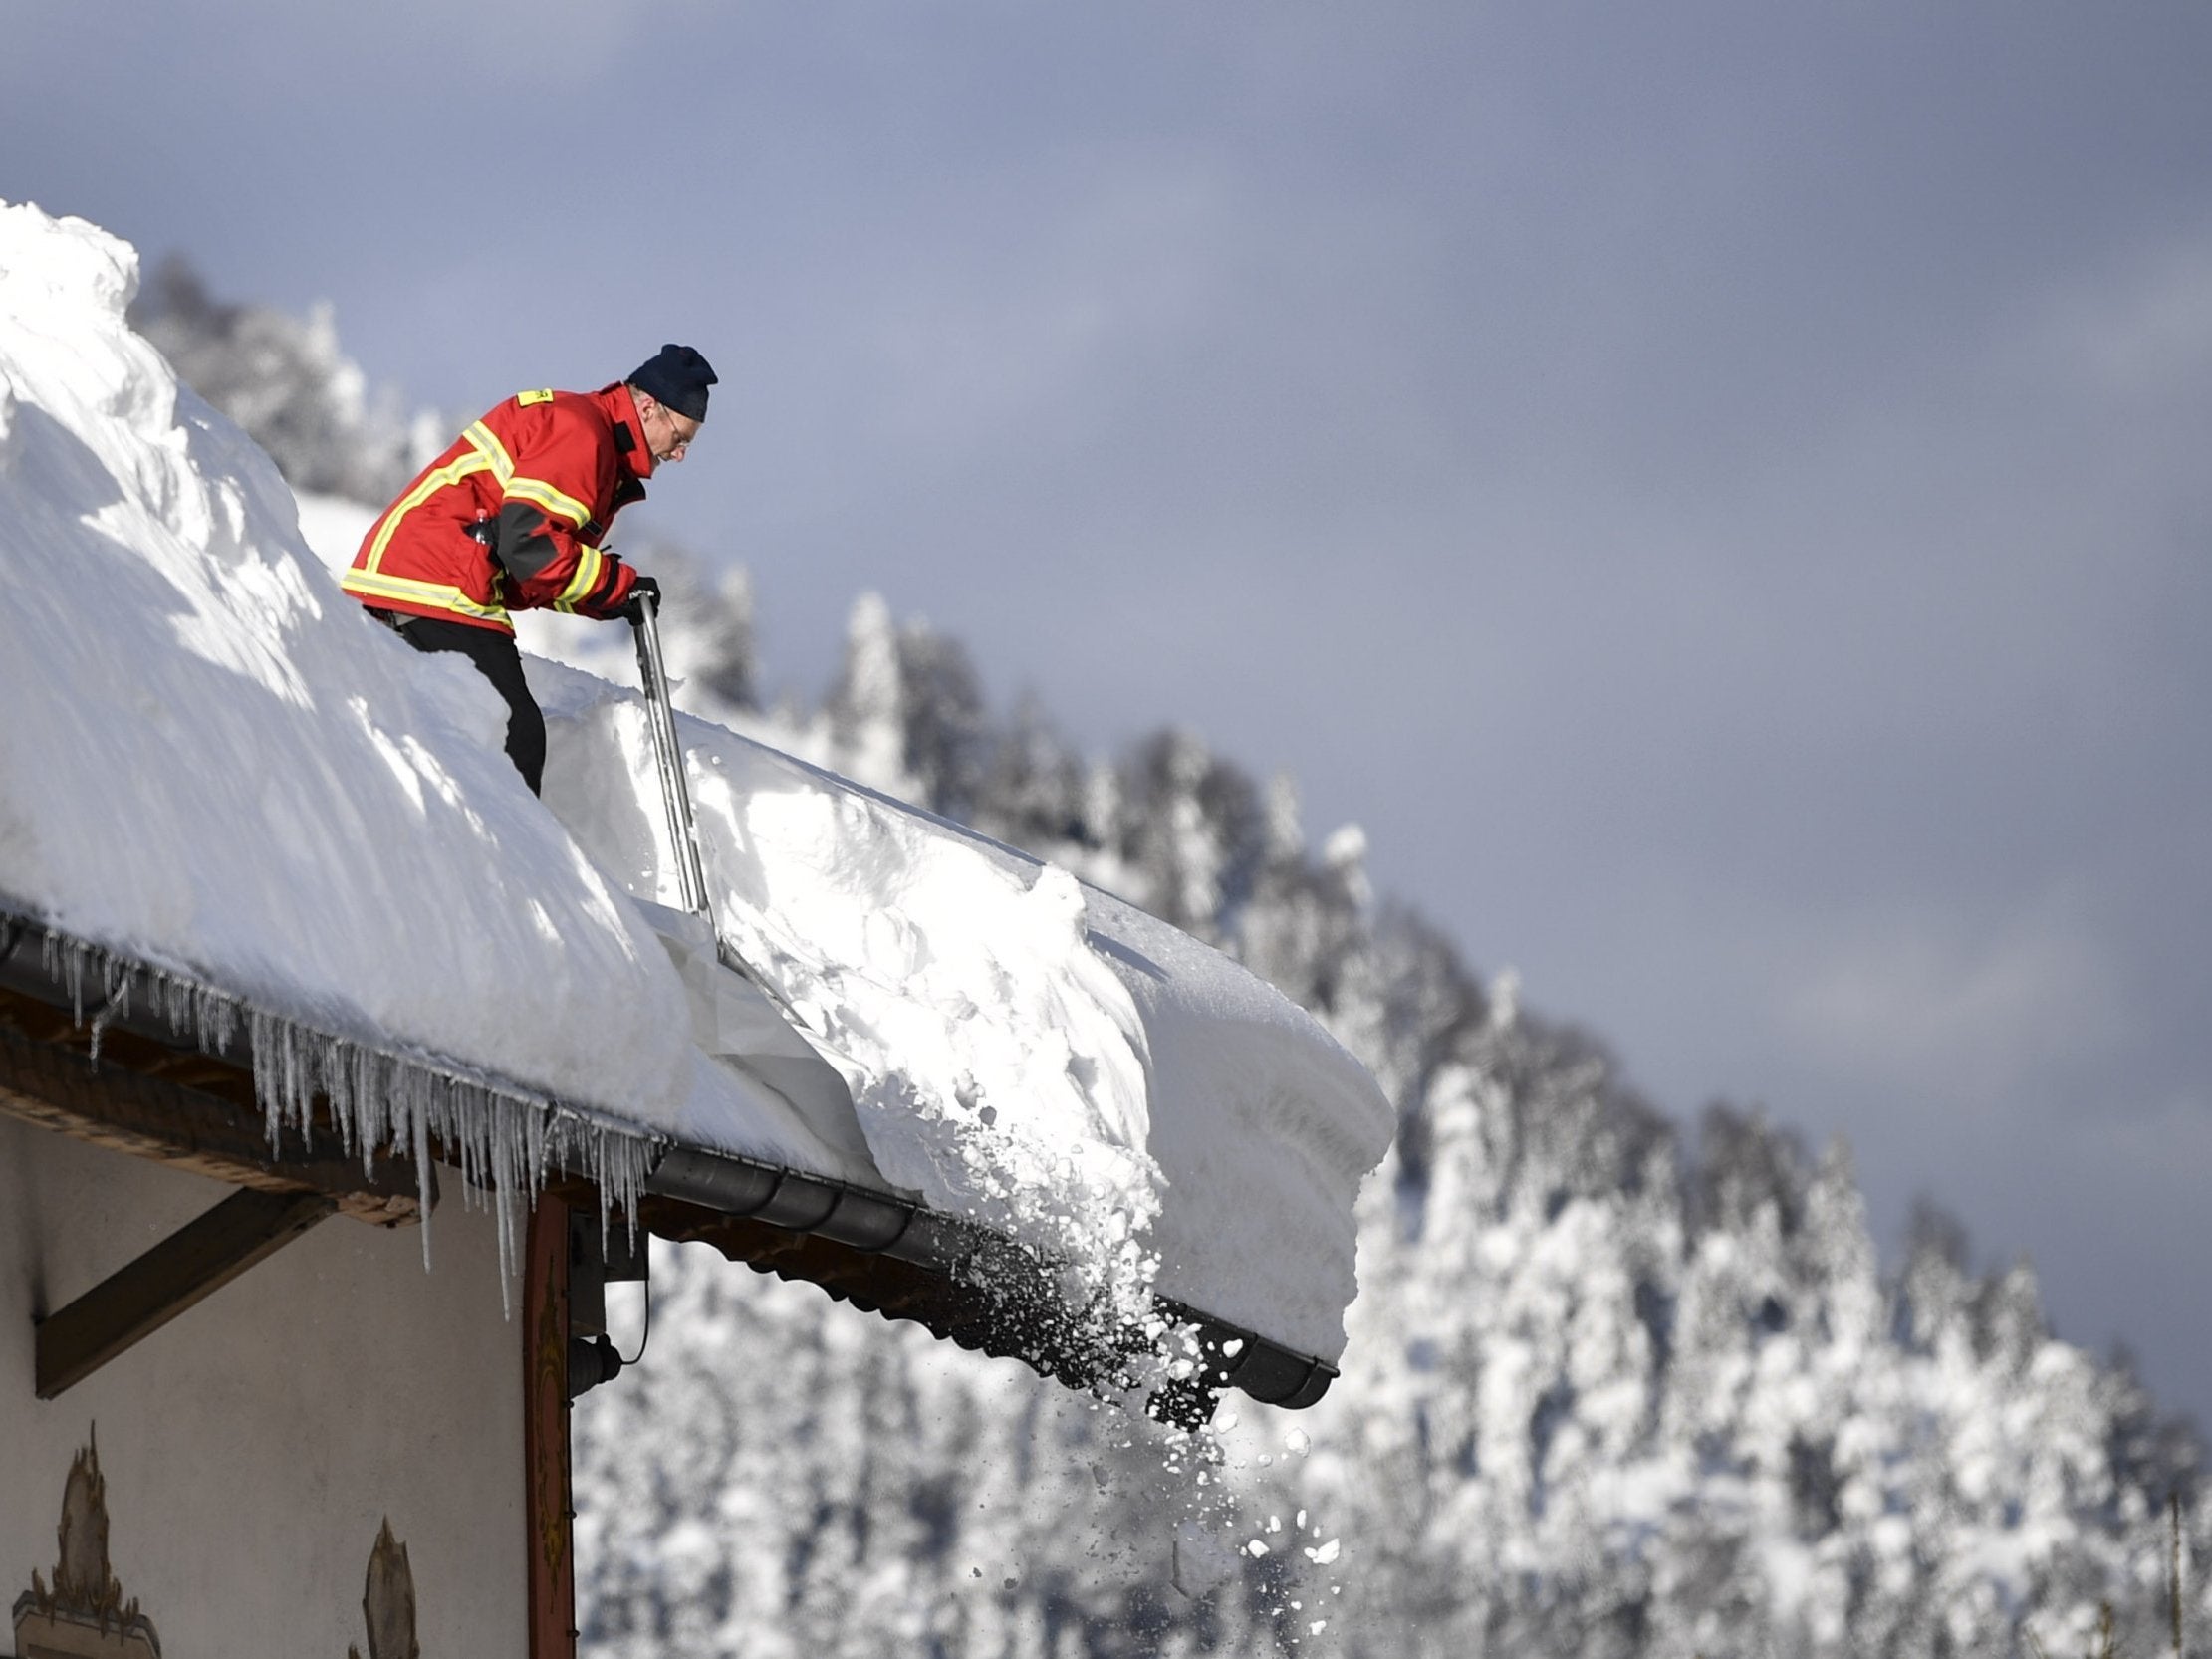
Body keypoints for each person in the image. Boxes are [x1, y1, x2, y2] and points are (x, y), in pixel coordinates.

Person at [343, 343, 717, 794]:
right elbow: (531, 548)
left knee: (466, 730)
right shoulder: (582, 432)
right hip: (436, 582)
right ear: (650, 408)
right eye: (681, 438)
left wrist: (611, 600)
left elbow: (530, 573)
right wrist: (618, 584)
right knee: (510, 733)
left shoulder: (591, 438)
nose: (681, 455)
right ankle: (496, 858)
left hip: (416, 577)